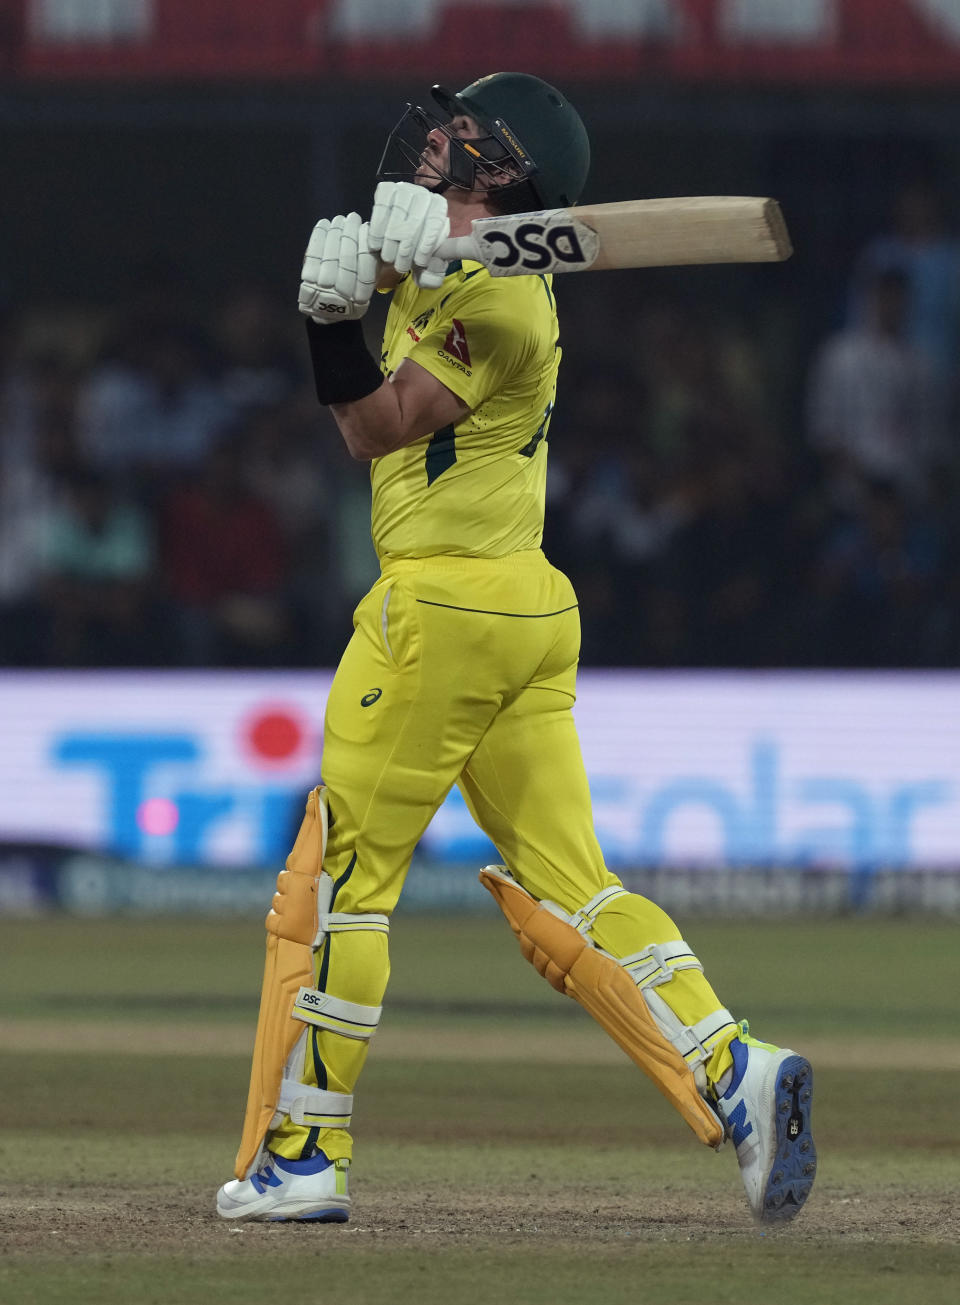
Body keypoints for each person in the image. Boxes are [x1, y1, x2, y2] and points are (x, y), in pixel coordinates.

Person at [216, 72, 816, 1227]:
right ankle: (732, 1061)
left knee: (340, 885)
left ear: (503, 173)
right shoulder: (462, 269)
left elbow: (373, 426)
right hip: (526, 613)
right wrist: (373, 276)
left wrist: (326, 323)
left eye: (461, 135)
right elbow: (394, 337)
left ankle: (304, 1156)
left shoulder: (503, 297)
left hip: (439, 610)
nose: (433, 138)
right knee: (577, 889)